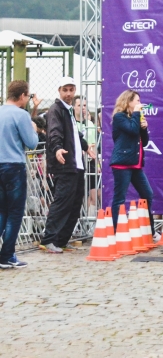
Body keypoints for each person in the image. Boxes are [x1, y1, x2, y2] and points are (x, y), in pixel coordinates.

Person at [41, 77, 93, 253]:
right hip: (65, 164)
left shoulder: (68, 111)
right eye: (66, 90)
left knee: (75, 204)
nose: (69, 93)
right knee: (62, 202)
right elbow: (54, 132)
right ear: (59, 90)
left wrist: (86, 147)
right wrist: (57, 149)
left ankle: (61, 240)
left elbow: (75, 135)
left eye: (71, 90)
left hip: (75, 164)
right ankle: (49, 239)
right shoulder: (56, 110)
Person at [0, 81, 39, 268]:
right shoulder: (21, 115)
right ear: (23, 96)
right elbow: (31, 143)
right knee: (15, 213)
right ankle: (7, 255)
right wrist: (34, 128)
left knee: (1, 210)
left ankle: (6, 254)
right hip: (14, 166)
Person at [109, 89, 155, 238]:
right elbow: (131, 129)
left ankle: (149, 231)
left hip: (135, 164)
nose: (140, 104)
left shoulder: (135, 118)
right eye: (137, 101)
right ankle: (117, 231)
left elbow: (145, 141)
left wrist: (144, 128)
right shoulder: (119, 117)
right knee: (120, 198)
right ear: (128, 102)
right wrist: (137, 115)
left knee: (147, 194)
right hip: (122, 163)